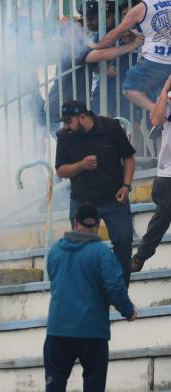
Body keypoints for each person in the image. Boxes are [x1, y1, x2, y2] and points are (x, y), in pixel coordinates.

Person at [44, 203, 137, 392]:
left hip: (58, 330)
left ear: (75, 223)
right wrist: (128, 311)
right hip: (92, 331)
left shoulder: (54, 252)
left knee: (55, 384)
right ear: (98, 225)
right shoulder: (102, 253)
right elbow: (114, 287)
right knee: (94, 383)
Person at [55, 100, 136, 286]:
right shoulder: (64, 136)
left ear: (82, 117)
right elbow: (60, 170)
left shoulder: (110, 127)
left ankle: (120, 288)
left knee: (123, 241)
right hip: (82, 202)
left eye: (69, 122)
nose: (66, 126)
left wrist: (126, 186)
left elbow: (128, 158)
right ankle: (88, 289)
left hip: (114, 198)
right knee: (81, 247)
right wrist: (81, 165)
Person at [46, 0, 144, 136]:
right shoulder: (75, 50)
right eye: (75, 29)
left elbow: (96, 59)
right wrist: (131, 46)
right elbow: (100, 54)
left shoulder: (78, 45)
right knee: (72, 145)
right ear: (65, 36)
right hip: (61, 109)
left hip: (69, 107)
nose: (82, 27)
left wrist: (100, 66)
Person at [90, 0, 171, 137]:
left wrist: (94, 46)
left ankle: (159, 113)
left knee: (129, 88)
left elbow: (117, 32)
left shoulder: (142, 8)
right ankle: (163, 115)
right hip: (166, 61)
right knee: (161, 94)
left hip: (154, 61)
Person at [131, 74, 171, 272]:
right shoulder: (168, 98)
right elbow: (156, 118)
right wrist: (165, 89)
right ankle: (141, 256)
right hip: (169, 172)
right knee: (163, 216)